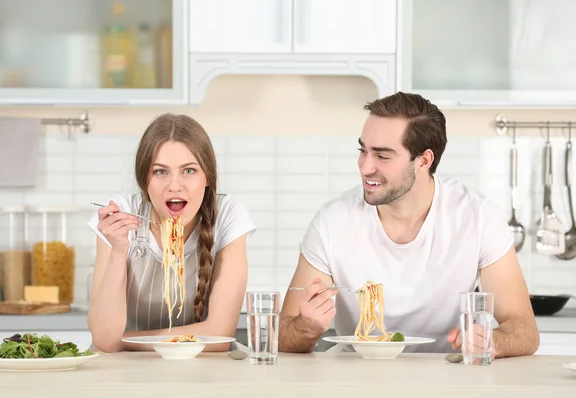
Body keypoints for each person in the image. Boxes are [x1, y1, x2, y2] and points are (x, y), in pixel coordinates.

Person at [278, 92, 539, 358]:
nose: (365, 167)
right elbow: (284, 334)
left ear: (424, 161)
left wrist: (493, 341)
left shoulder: (477, 218)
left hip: (446, 375)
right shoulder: (332, 222)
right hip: (354, 378)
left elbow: (524, 330)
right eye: (363, 150)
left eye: (382, 156)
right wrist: (306, 327)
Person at [87, 113, 256, 353]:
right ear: (144, 178)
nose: (174, 185)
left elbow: (219, 334)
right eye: (160, 172)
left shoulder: (228, 214)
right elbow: (104, 337)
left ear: (207, 176)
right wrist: (118, 250)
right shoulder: (122, 215)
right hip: (123, 373)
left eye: (188, 171)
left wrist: (122, 341)